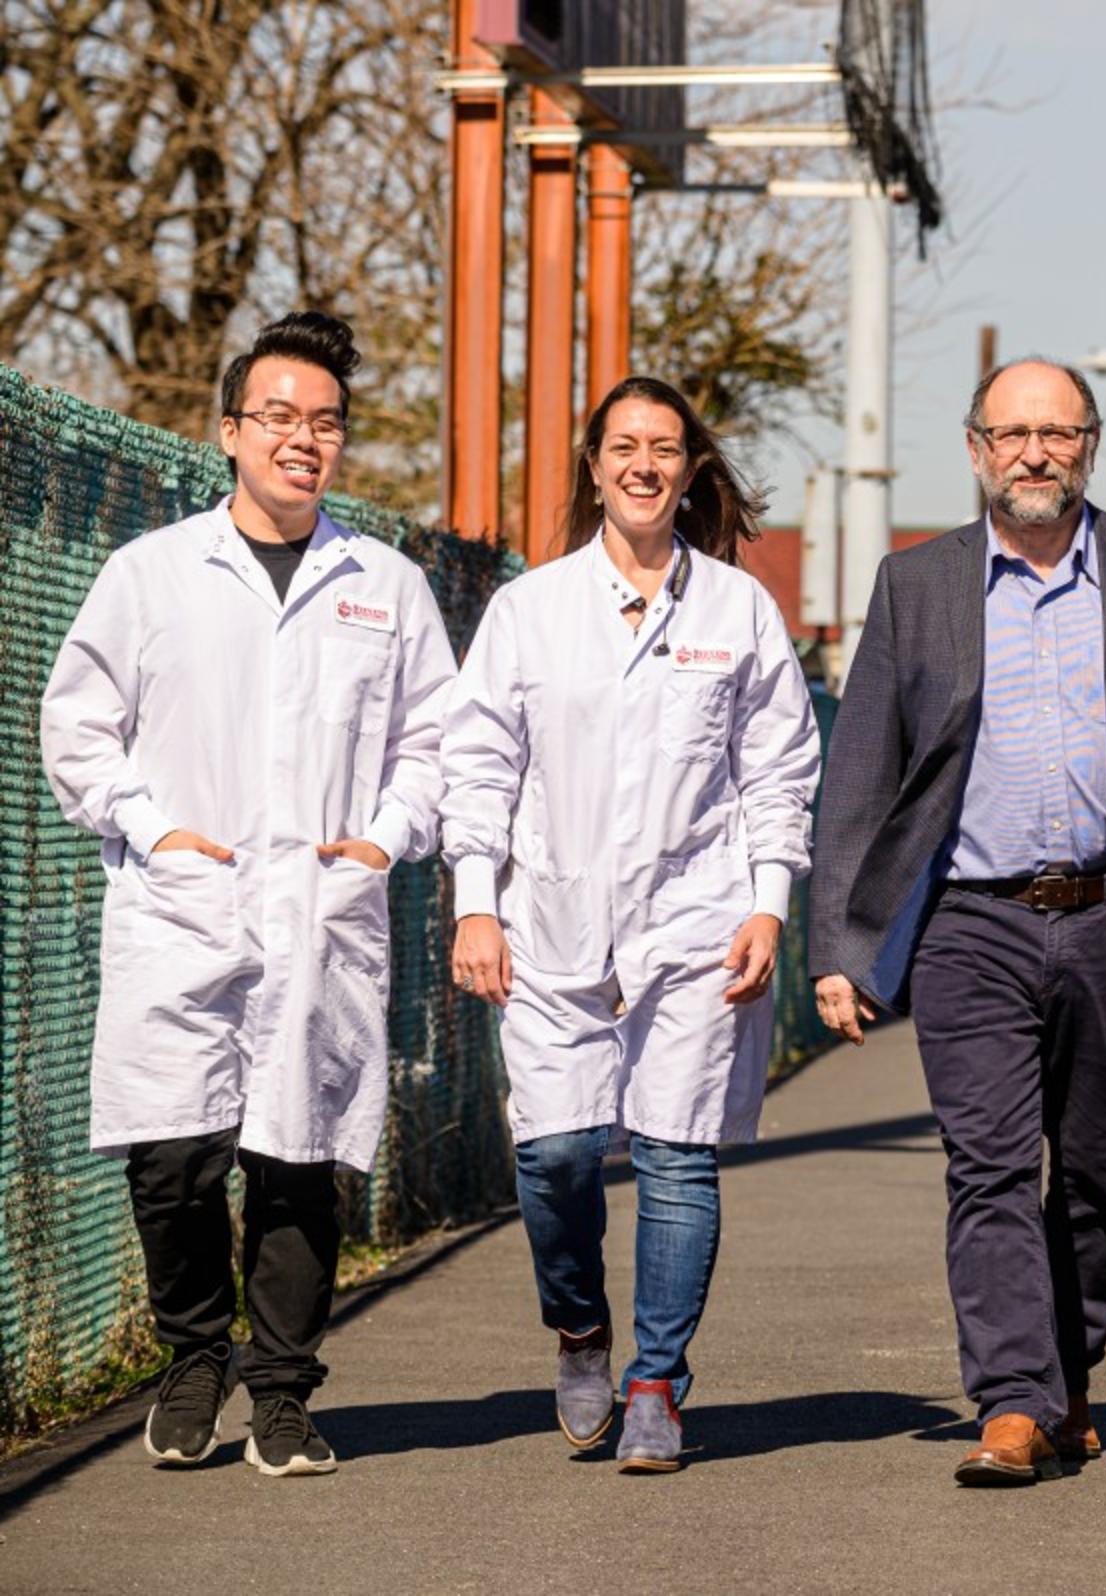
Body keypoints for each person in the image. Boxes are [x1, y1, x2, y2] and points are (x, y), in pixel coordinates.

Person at [808, 358, 1106, 1487]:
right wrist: (840, 952)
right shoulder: (919, 587)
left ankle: (1067, 1373)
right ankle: (1011, 1402)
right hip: (973, 923)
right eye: (1011, 434)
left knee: (1102, 1173)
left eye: (1056, 433)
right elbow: (859, 773)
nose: (1034, 454)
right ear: (975, 450)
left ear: (1090, 446)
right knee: (992, 1166)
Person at [40, 311, 455, 1476]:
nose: (302, 439)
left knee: (297, 1157)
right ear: (230, 432)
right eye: (278, 417)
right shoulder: (153, 574)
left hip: (321, 913)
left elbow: (436, 743)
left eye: (324, 422)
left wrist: (383, 839)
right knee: (173, 1155)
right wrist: (150, 826)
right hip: (185, 904)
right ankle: (189, 1356)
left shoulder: (386, 585)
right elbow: (76, 725)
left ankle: (281, 1394)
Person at [442, 376, 822, 1472]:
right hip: (550, 919)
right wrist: (477, 903)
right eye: (624, 447)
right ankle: (579, 1329)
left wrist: (768, 901)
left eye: (665, 447)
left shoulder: (736, 610)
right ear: (595, 468)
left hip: (696, 922)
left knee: (676, 1155)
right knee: (556, 1156)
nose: (644, 464)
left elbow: (777, 770)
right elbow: (477, 768)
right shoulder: (530, 608)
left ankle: (657, 1380)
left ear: (689, 469)